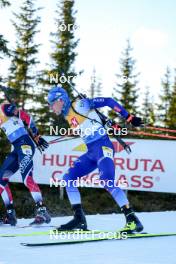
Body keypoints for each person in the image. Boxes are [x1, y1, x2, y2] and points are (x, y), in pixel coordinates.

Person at [47, 85, 144, 233]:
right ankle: (79, 219)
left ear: (61, 100)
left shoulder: (79, 104)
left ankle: (132, 220)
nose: (51, 107)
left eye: (52, 103)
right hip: (91, 151)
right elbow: (90, 122)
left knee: (106, 180)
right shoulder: (67, 115)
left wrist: (129, 117)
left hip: (103, 146)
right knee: (68, 178)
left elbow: (108, 101)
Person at [0, 101, 51, 226]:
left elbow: (26, 117)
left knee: (26, 178)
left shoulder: (3, 108)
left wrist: (37, 136)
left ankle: (42, 211)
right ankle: (10, 214)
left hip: (25, 145)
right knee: (1, 180)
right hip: (17, 149)